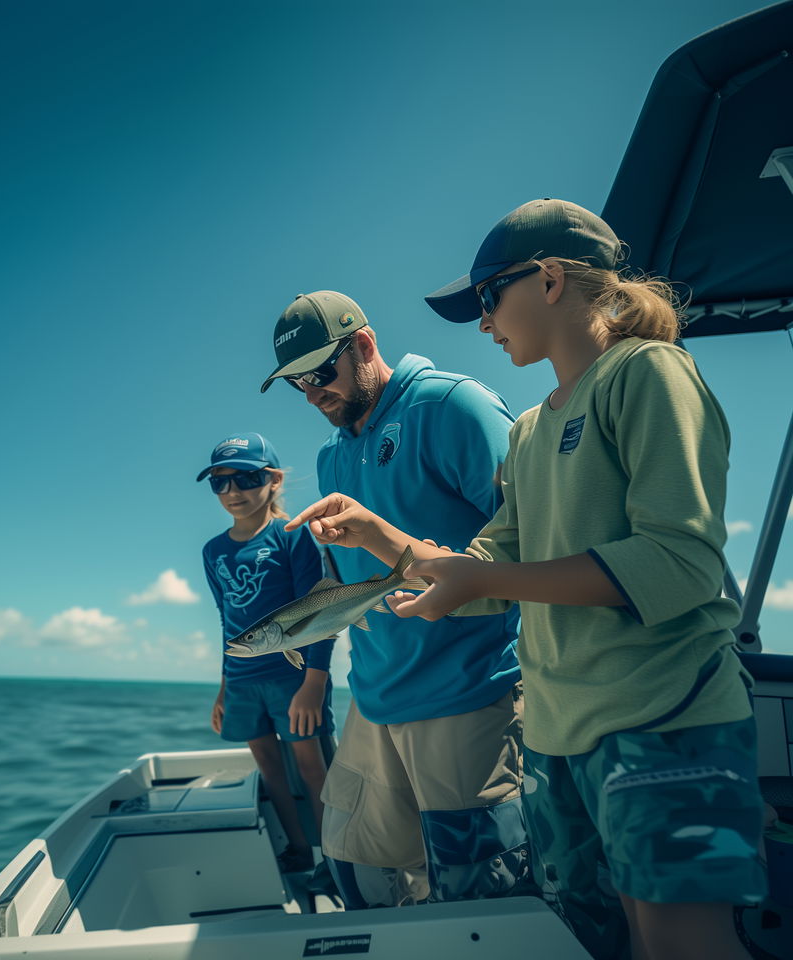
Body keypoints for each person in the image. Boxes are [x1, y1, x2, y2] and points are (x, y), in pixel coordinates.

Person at [290, 200, 766, 959]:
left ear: (548, 281)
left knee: (679, 942)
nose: (482, 323)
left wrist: (481, 582)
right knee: (594, 938)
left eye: (487, 298)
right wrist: (384, 539)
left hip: (662, 718)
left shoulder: (648, 374)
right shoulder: (529, 430)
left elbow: (678, 563)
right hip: (554, 735)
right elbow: (489, 561)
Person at [260, 291, 527, 908]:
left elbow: (535, 542)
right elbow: (338, 590)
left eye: (320, 373)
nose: (311, 394)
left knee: (478, 898)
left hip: (468, 692)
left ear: (364, 345)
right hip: (374, 701)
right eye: (296, 383)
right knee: (355, 873)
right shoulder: (332, 457)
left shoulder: (452, 405)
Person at [198, 432, 335, 874]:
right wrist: (223, 689)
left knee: (312, 767)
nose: (233, 492)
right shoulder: (212, 550)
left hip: (291, 678)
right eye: (220, 483)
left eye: (246, 479)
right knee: (269, 768)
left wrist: (314, 683)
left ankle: (335, 856)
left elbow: (320, 612)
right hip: (241, 682)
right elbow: (227, 623)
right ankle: (297, 849)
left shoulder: (291, 535)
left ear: (273, 480)